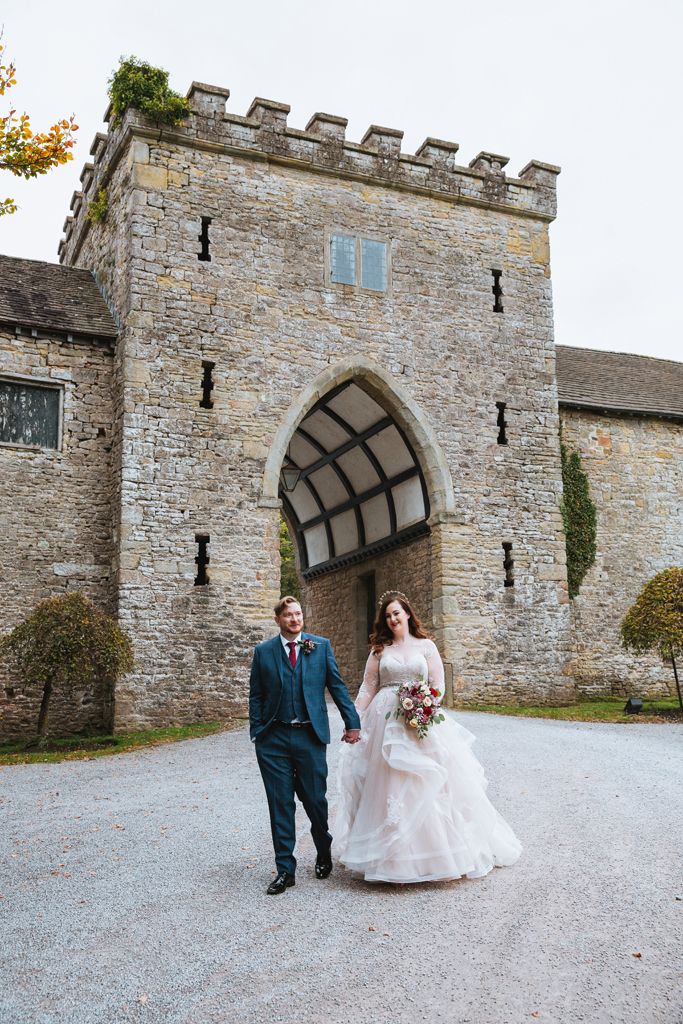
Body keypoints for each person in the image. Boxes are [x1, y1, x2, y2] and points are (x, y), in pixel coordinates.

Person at [335, 590, 522, 883]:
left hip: (421, 718)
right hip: (385, 719)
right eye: (387, 616)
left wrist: (426, 704)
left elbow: (438, 683)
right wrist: (353, 719)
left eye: (397, 613)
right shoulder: (379, 651)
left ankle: (437, 854)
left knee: (428, 779)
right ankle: (391, 858)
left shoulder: (426, 646)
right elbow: (367, 688)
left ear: (407, 613)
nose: (393, 618)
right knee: (389, 781)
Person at [249, 596, 361, 895]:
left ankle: (323, 849)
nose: (294, 619)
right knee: (280, 804)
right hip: (273, 739)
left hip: (310, 737)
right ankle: (286, 869)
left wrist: (352, 722)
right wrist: (257, 731)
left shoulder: (320, 646)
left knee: (315, 801)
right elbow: (256, 695)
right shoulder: (264, 653)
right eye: (288, 615)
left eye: (298, 614)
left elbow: (337, 686)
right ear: (278, 620)